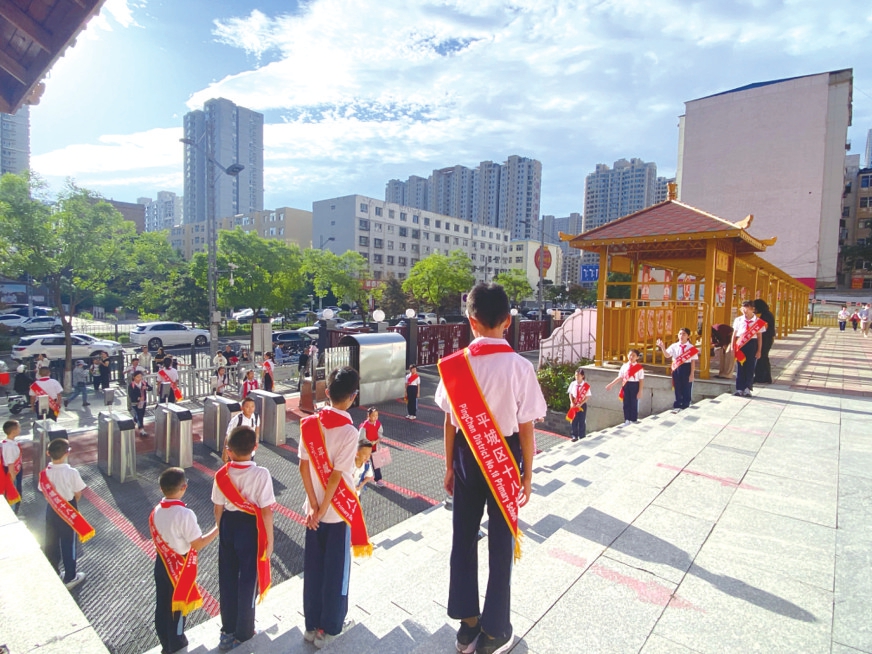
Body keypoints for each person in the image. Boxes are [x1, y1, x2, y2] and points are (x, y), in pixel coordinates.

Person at [434, 283, 546, 654]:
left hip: (467, 455)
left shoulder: (455, 366)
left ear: (470, 320)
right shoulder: (519, 367)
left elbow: (450, 422)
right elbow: (528, 425)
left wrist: (450, 466)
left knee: (463, 537)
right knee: (500, 543)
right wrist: (528, 474)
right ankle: (496, 630)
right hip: (504, 459)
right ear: (508, 321)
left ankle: (467, 625)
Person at [299, 366, 369, 649]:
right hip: (336, 513)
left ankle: (310, 625)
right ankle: (330, 629)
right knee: (336, 571)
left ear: (326, 393)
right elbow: (338, 477)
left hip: (312, 512)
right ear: (353, 397)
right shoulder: (349, 431)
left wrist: (313, 506)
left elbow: (303, 466)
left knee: (313, 569)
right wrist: (323, 508)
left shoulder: (309, 424)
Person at [212, 426, 275, 651]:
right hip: (251, 528)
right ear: (255, 448)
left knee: (227, 578)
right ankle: (244, 632)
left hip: (228, 524)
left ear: (228, 450)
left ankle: (227, 631)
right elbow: (266, 511)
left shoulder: (222, 474)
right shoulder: (261, 474)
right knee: (248, 579)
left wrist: (223, 530)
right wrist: (270, 540)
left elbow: (217, 508)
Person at [151, 467, 219, 654]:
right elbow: (197, 544)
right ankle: (178, 644)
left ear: (161, 488)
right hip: (178, 566)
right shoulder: (185, 514)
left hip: (162, 562)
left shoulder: (156, 510)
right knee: (177, 606)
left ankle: (165, 642)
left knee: (162, 603)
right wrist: (217, 528)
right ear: (184, 487)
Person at [39, 438, 92, 590]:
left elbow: (44, 492)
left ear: (49, 453)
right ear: (67, 453)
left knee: (51, 541)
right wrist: (71, 507)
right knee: (68, 543)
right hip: (67, 509)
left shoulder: (44, 473)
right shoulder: (71, 472)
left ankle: (54, 571)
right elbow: (77, 493)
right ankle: (70, 576)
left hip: (51, 509)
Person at [656, 329, 699, 413]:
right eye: (680, 334)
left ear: (688, 336)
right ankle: (678, 405)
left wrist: (692, 374)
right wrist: (663, 347)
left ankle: (686, 404)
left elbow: (693, 361)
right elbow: (667, 355)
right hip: (677, 367)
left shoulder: (691, 347)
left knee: (686, 386)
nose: (681, 336)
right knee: (677, 386)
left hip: (687, 367)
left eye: (684, 334)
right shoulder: (674, 346)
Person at [731, 300, 765, 397]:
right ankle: (739, 388)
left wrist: (759, 350)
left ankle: (747, 388)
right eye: (743, 307)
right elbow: (734, 334)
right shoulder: (738, 320)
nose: (744, 310)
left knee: (750, 367)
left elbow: (759, 337)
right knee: (740, 366)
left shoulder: (758, 322)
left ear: (752, 309)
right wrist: (732, 346)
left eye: (747, 307)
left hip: (752, 344)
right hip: (740, 344)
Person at [605, 349, 644, 427]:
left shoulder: (639, 367)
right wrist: (611, 384)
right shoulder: (624, 366)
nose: (631, 357)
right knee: (626, 403)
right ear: (627, 355)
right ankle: (627, 420)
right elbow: (620, 377)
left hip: (634, 385)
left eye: (633, 355)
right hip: (626, 385)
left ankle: (633, 419)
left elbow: (641, 380)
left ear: (637, 357)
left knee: (633, 403)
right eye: (630, 355)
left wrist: (640, 391)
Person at [358, 408, 386, 487]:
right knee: (364, 463)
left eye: (376, 415)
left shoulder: (378, 424)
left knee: (376, 464)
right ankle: (360, 478)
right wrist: (369, 443)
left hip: (375, 448)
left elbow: (380, 433)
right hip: (366, 449)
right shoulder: (364, 426)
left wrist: (377, 440)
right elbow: (361, 437)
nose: (375, 417)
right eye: (373, 415)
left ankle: (378, 479)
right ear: (368, 416)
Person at [1, 420, 22, 514]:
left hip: (14, 472)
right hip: (12, 474)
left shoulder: (8, 443)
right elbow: (10, 465)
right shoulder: (9, 447)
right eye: (19, 427)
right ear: (13, 431)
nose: (20, 429)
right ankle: (13, 513)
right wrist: (12, 481)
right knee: (14, 494)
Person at [753, 299, 776, 384]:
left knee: (761, 357)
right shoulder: (767, 314)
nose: (755, 310)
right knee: (763, 357)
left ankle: (762, 377)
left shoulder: (766, 315)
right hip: (768, 338)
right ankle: (764, 377)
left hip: (766, 338)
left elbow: (761, 327)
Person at [566, 367, 590, 441]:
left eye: (578, 376)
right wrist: (571, 402)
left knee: (581, 420)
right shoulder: (573, 384)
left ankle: (582, 435)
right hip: (574, 404)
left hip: (582, 405)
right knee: (574, 420)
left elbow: (588, 396)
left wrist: (581, 403)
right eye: (576, 375)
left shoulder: (585, 386)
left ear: (582, 376)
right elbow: (570, 393)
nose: (577, 377)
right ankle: (574, 435)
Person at [129, 371, 152, 437]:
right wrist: (138, 398)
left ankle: (134, 421)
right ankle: (141, 429)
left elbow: (150, 388)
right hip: (135, 403)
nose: (139, 378)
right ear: (134, 377)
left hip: (143, 402)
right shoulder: (132, 385)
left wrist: (146, 388)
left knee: (140, 414)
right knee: (139, 415)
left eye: (140, 377)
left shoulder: (144, 383)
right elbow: (131, 395)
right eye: (138, 377)